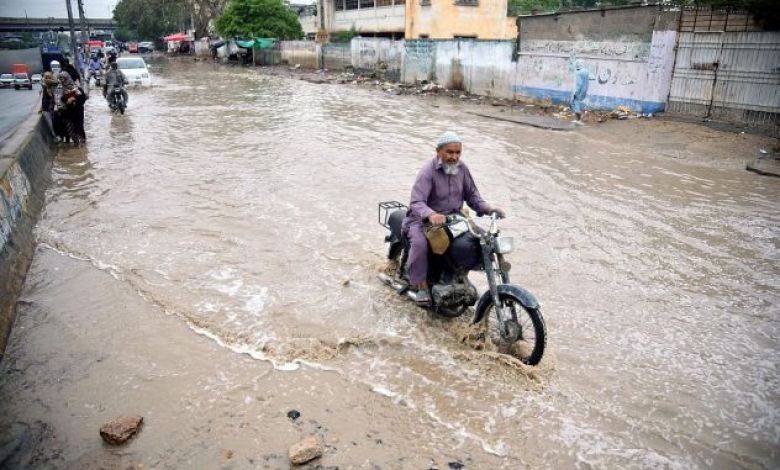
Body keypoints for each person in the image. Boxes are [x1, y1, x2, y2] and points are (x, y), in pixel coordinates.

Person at [401, 131, 505, 306]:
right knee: (420, 244)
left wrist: (488, 209)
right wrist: (431, 214)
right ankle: (421, 286)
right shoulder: (427, 172)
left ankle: (457, 274)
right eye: (449, 152)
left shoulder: (462, 169)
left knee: (482, 240)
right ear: (438, 151)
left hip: (454, 219)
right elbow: (417, 202)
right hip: (421, 220)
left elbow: (472, 195)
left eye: (458, 152)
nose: (454, 157)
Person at [57, 72, 87, 146]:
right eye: (60, 79)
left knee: (79, 127)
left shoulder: (77, 88)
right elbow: (59, 100)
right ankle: (76, 142)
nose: (62, 81)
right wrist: (66, 102)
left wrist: (75, 99)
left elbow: (83, 99)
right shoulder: (60, 89)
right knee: (70, 128)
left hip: (77, 112)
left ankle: (82, 144)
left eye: (63, 79)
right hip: (66, 113)